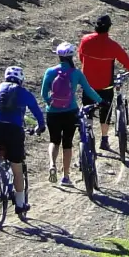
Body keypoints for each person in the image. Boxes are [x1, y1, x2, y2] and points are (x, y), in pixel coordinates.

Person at [0, 66, 44, 219]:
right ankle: (20, 205)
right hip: (14, 130)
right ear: (21, 80)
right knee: (17, 170)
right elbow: (36, 111)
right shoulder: (23, 92)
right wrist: (40, 126)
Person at [40, 42, 102, 186]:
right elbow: (88, 90)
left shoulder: (50, 71)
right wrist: (101, 101)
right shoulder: (76, 73)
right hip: (71, 111)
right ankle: (65, 177)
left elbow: (43, 93)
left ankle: (52, 165)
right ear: (72, 56)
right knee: (67, 144)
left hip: (52, 113)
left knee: (54, 141)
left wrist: (50, 103)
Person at [78, 14, 129, 155]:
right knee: (105, 112)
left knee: (88, 111)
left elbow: (81, 58)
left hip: (88, 84)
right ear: (109, 28)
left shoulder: (85, 40)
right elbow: (126, 61)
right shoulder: (113, 45)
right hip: (105, 84)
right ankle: (104, 139)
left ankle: (89, 139)